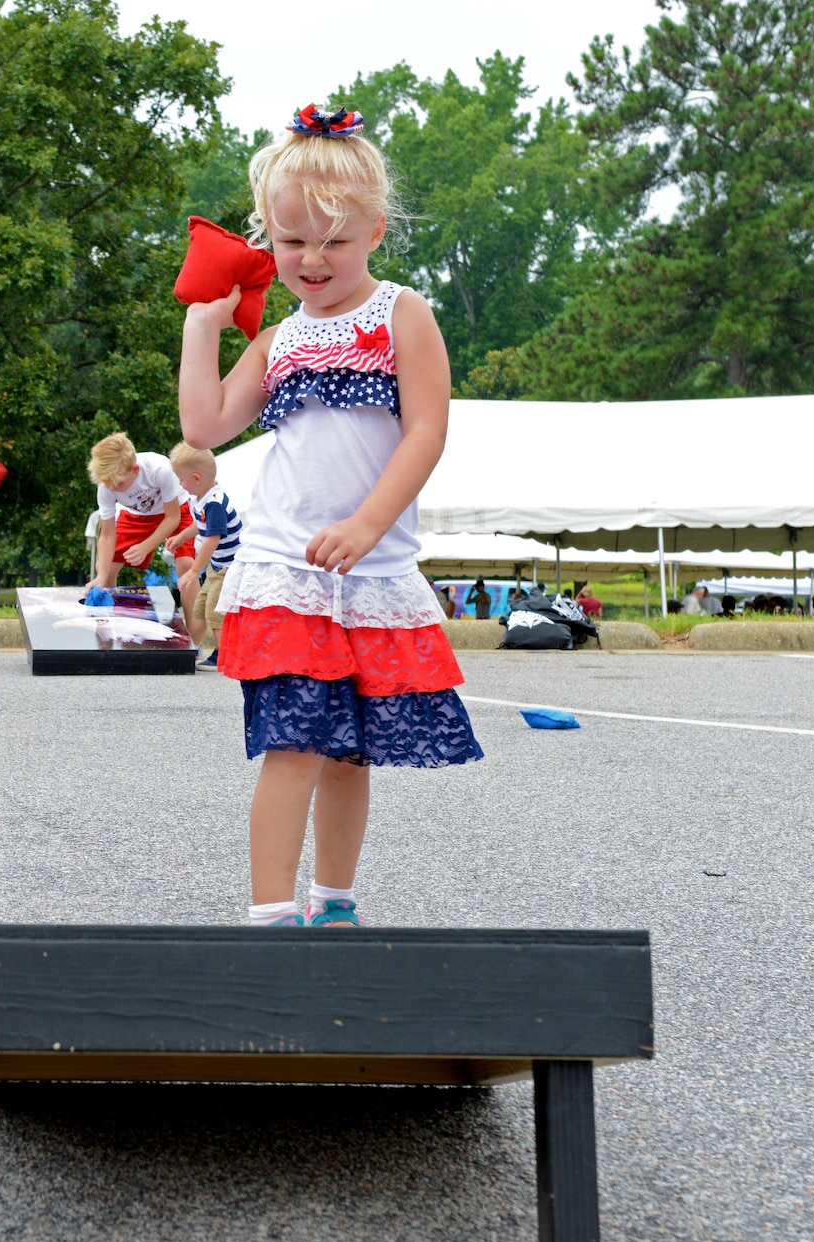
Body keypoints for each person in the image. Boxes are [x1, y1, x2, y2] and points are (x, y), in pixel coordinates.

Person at [177, 103, 482, 929]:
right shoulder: (277, 341)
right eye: (291, 241)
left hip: (372, 569)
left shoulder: (400, 315)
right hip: (286, 569)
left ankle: (333, 904)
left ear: (376, 232)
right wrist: (201, 327)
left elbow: (427, 431)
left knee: (351, 751)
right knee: (294, 741)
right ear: (267, 236)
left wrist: (368, 525)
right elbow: (204, 426)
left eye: (335, 242)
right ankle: (271, 914)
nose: (312, 260)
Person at [168, 442, 243, 665]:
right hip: (217, 565)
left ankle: (224, 657)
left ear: (197, 478)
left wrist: (193, 571)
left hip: (231, 566)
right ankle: (193, 648)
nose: (180, 484)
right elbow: (200, 525)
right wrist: (181, 537)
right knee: (200, 607)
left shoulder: (215, 503)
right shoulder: (199, 500)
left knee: (215, 612)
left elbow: (212, 539)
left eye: (181, 479)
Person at [86, 433, 185, 590]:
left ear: (135, 470)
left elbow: (173, 518)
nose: (113, 488)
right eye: (107, 484)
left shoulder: (159, 469)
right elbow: (107, 534)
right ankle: (109, 608)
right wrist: (101, 577)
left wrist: (145, 546)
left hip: (175, 508)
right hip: (138, 514)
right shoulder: (107, 486)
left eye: (119, 484)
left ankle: (192, 615)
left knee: (185, 564)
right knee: (105, 566)